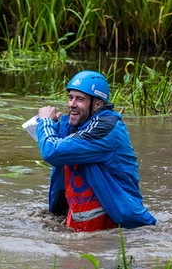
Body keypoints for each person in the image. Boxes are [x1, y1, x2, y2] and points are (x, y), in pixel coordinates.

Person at [35, 70, 156, 231]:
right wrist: (54, 124)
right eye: (70, 97)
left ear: (97, 104)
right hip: (82, 222)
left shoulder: (106, 128)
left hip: (118, 225)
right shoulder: (77, 124)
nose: (71, 104)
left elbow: (52, 151)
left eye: (80, 99)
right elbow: (58, 142)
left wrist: (45, 123)